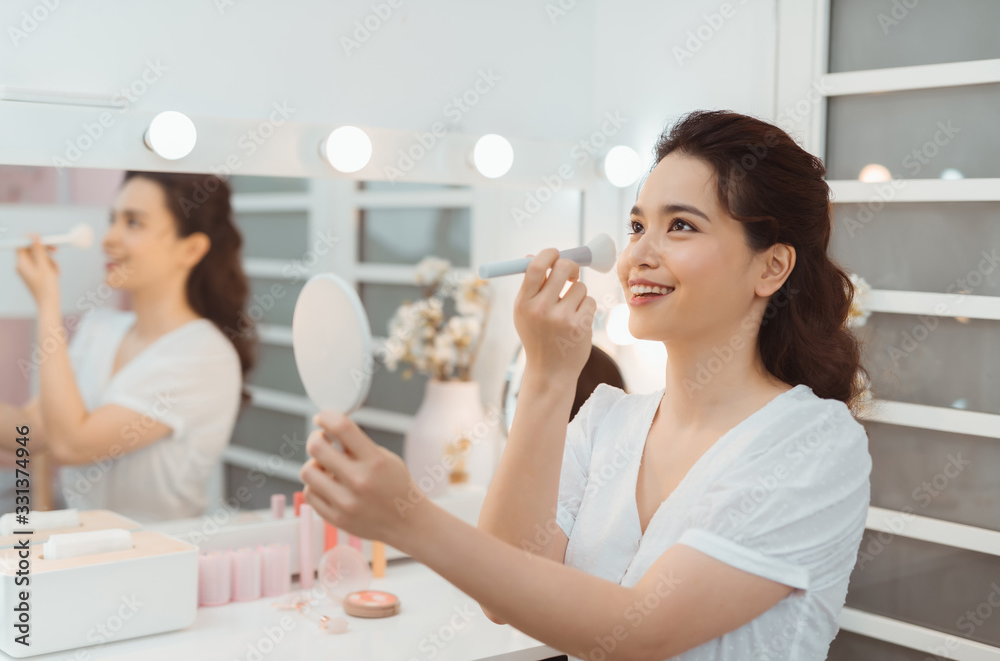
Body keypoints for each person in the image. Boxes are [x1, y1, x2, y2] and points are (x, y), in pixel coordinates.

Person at [296, 109, 872, 661]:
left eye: (680, 226)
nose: (638, 256)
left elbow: (641, 633)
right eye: (637, 226)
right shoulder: (606, 422)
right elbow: (503, 591)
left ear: (771, 267)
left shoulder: (813, 445)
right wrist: (549, 375)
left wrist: (407, 519)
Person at [0, 171, 255, 523]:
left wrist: (46, 303)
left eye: (134, 223)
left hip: (158, 561)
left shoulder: (202, 355)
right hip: (84, 552)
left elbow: (72, 444)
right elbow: (29, 432)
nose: (109, 239)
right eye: (113, 220)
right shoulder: (100, 328)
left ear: (191, 249)